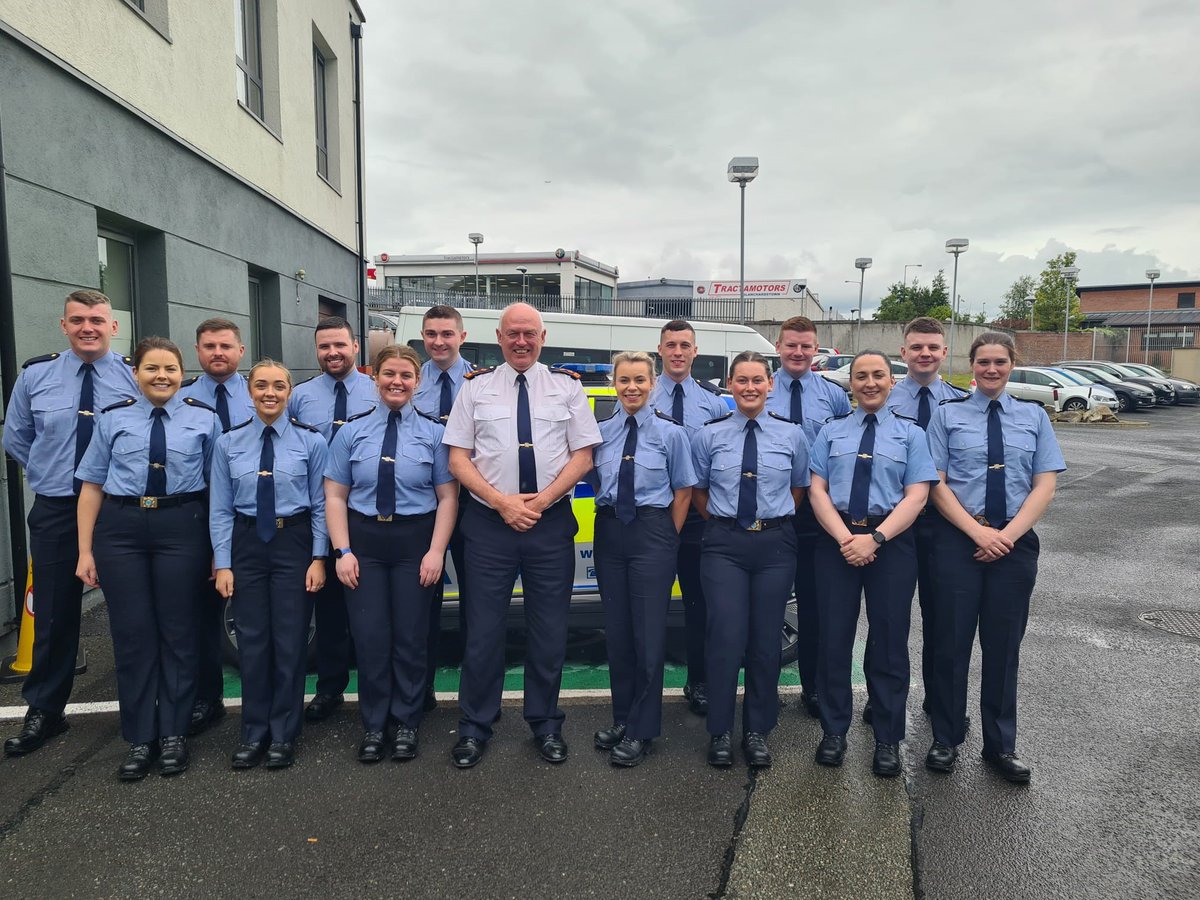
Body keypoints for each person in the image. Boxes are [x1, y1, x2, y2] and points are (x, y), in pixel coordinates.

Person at [442, 302, 601, 769]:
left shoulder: (567, 388)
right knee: (483, 632)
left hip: (548, 524)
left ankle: (546, 724)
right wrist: (503, 502)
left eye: (529, 333)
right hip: (491, 525)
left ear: (543, 336)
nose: (521, 342)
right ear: (498, 336)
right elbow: (458, 459)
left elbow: (583, 455)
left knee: (549, 631)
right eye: (513, 334)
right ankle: (474, 727)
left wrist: (541, 500)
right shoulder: (476, 390)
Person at [75, 336, 222, 780]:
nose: (161, 376)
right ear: (135, 373)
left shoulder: (204, 420)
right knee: (133, 633)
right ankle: (141, 737)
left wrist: (220, 551)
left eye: (170, 369)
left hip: (182, 526)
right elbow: (92, 485)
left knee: (178, 630)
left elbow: (220, 491)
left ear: (182, 374)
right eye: (152, 368)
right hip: (121, 530)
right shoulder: (113, 418)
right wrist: (85, 550)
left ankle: (174, 733)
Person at [2, 290, 138, 757]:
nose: (88, 328)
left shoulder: (133, 376)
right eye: (77, 320)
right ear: (64, 326)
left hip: (120, 508)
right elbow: (17, 437)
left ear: (112, 326)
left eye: (97, 320)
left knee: (132, 609)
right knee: (55, 612)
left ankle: (142, 709)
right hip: (58, 507)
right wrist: (54, 475)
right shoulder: (36, 376)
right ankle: (45, 709)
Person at [924, 332, 1064, 783]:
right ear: (971, 365)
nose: (991, 369)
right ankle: (946, 738)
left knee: (1003, 649)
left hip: (1014, 544)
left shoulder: (1034, 417)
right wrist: (978, 532)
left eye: (999, 361)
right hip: (957, 541)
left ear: (1011, 364)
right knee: (950, 645)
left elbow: (1044, 484)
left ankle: (1000, 746)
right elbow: (936, 482)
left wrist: (1006, 536)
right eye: (983, 361)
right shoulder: (947, 417)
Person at [808, 351, 938, 777]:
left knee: (888, 641)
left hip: (891, 541)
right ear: (850, 383)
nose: (869, 383)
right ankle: (834, 731)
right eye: (861, 376)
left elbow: (917, 496)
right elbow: (817, 490)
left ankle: (887, 737)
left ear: (890, 379)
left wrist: (876, 539)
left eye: (877, 375)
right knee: (834, 639)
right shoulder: (831, 432)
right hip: (838, 540)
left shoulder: (911, 434)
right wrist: (848, 539)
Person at [325, 345, 457, 763]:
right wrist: (342, 550)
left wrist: (436, 551)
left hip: (414, 542)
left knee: (411, 636)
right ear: (375, 378)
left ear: (417, 382)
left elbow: (448, 497)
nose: (396, 382)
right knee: (370, 637)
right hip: (364, 541)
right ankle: (374, 724)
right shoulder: (350, 432)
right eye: (388, 374)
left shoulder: (435, 434)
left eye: (405, 375)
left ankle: (406, 723)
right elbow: (334, 496)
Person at [209, 359, 328, 770]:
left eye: (279, 385)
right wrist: (223, 563)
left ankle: (284, 733)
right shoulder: (228, 443)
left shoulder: (311, 442)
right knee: (253, 642)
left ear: (290, 391)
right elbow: (220, 508)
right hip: (246, 543)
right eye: (261, 385)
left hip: (292, 541)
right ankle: (253, 732)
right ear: (250, 391)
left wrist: (318, 557)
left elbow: (320, 506)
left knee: (291, 641)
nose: (270, 393)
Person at [692, 351, 809, 769]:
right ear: (730, 383)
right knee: (725, 636)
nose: (750, 388)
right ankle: (720, 731)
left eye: (757, 380)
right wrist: (733, 523)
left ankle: (757, 730)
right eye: (741, 380)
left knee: (765, 641)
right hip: (724, 543)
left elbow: (798, 489)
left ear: (770, 384)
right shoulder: (709, 435)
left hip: (775, 546)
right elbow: (701, 494)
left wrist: (765, 519)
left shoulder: (792, 435)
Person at [590, 351, 696, 767]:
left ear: (653, 383)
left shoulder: (672, 434)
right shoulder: (601, 433)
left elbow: (684, 491)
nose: (631, 387)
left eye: (639, 380)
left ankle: (643, 729)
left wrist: (668, 537)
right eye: (624, 380)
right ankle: (623, 718)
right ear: (614, 383)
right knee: (617, 633)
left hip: (653, 532)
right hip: (611, 531)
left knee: (648, 633)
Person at [286, 317, 377, 724]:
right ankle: (330, 688)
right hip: (320, 513)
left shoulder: (379, 390)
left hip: (369, 511)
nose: (333, 353)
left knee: (371, 606)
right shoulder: (300, 397)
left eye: (340, 345)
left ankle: (381, 688)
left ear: (356, 347)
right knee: (330, 609)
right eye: (324, 347)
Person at [880, 316, 969, 727]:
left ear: (944, 352)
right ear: (904, 352)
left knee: (944, 619)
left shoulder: (959, 402)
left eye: (933, 347)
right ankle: (883, 699)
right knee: (890, 619)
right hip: (895, 524)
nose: (925, 354)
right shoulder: (883, 399)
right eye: (917, 347)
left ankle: (940, 702)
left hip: (944, 525)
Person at [765, 316, 850, 719]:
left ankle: (813, 688)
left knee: (815, 605)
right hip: (775, 510)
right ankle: (762, 690)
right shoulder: (761, 390)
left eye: (806, 346)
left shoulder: (833, 397)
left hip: (818, 514)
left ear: (816, 350)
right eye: (791, 345)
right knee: (767, 603)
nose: (798, 352)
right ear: (778, 347)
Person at [178, 317, 255, 737]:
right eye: (209, 346)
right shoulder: (183, 396)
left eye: (226, 346)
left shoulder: (263, 392)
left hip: (249, 513)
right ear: (198, 351)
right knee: (199, 612)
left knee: (253, 610)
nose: (218, 353)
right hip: (195, 509)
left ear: (240, 351)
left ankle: (266, 705)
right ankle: (205, 699)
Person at [648, 320, 728, 717]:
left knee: (700, 606)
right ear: (659, 350)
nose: (677, 352)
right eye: (671, 345)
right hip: (651, 516)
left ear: (695, 351)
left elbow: (718, 461)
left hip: (697, 518)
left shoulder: (714, 403)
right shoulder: (643, 393)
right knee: (649, 608)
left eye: (685, 345)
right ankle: (645, 692)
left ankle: (698, 681)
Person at [410, 305, 475, 712]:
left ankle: (476, 694)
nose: (439, 341)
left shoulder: (483, 383)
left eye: (447, 334)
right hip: (422, 502)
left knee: (477, 601)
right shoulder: (410, 382)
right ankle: (422, 690)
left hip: (471, 501)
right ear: (422, 335)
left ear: (462, 337)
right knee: (422, 600)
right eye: (431, 334)